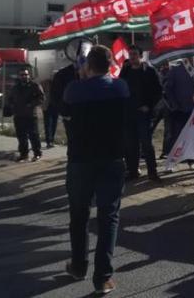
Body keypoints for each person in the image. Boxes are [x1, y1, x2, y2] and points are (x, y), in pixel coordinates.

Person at [61, 45, 129, 295]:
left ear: (87, 66)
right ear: (111, 65)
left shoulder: (74, 89)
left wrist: (81, 76)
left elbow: (66, 105)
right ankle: (103, 277)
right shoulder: (120, 88)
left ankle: (78, 266)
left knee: (78, 216)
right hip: (112, 159)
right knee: (108, 217)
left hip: (80, 161)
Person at [119, 45, 163, 181]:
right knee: (131, 145)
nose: (132, 57)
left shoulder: (149, 71)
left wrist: (149, 106)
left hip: (144, 114)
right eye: (130, 54)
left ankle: (152, 171)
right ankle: (133, 171)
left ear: (140, 55)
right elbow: (120, 88)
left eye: (134, 54)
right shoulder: (125, 71)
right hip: (128, 113)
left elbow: (158, 92)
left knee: (146, 144)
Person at [164, 60, 194, 172]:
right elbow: (168, 88)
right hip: (179, 109)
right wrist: (174, 105)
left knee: (193, 136)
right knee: (176, 136)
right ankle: (172, 161)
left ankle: (192, 160)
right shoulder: (176, 69)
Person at [8, 68, 45, 162]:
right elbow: (10, 98)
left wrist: (31, 104)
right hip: (19, 115)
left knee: (34, 135)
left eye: (26, 74)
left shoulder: (34, 85)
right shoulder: (16, 87)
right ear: (19, 76)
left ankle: (37, 153)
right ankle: (23, 155)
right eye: (22, 75)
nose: (24, 76)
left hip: (31, 115)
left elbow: (41, 98)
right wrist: (12, 106)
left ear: (29, 75)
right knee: (21, 136)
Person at [40, 78, 58, 148]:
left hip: (55, 105)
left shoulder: (57, 82)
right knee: (48, 124)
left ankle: (52, 140)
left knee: (54, 123)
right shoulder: (44, 82)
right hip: (47, 106)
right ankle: (48, 141)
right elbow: (41, 92)